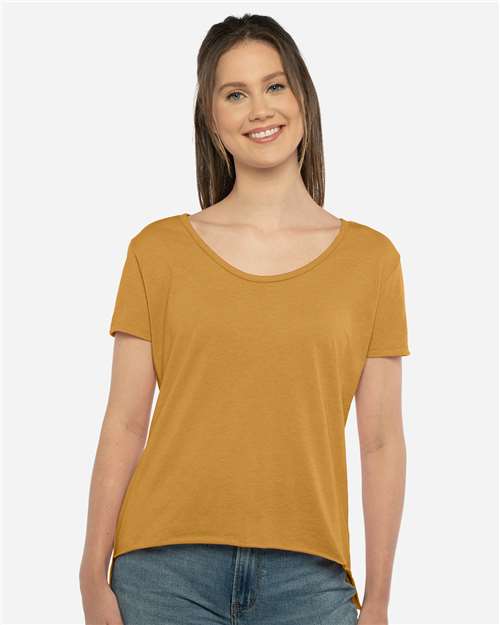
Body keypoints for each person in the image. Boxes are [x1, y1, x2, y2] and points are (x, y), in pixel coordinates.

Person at [79, 13, 410, 625]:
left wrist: (381, 600)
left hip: (310, 581)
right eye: (235, 94)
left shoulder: (372, 261)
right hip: (163, 574)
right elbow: (124, 422)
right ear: (213, 121)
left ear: (302, 97)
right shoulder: (157, 251)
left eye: (274, 85)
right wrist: (90, 578)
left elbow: (382, 440)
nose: (260, 109)